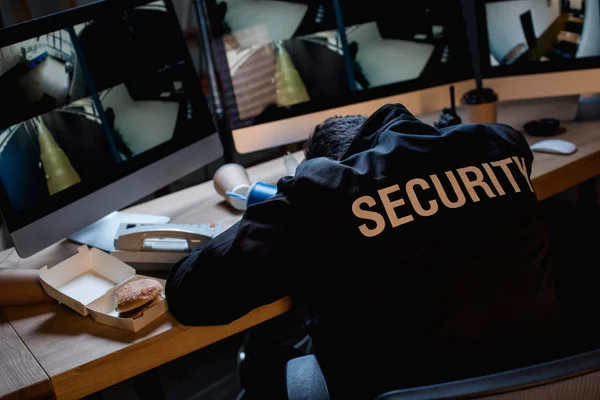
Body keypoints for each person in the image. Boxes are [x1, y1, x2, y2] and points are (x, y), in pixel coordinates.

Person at [166, 103, 563, 399]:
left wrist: (287, 201)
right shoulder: (502, 146)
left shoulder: (325, 194)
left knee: (262, 365)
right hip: (539, 381)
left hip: (392, 390)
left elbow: (192, 294)